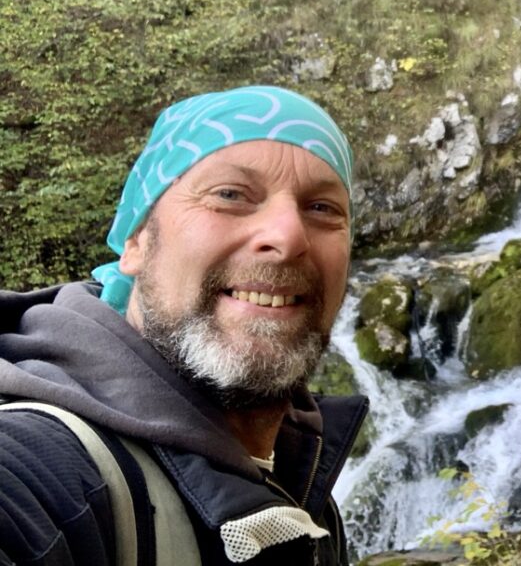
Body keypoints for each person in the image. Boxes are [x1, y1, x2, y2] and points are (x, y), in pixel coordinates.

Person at [0, 86, 369, 565]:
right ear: (135, 241)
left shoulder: (299, 471)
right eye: (231, 195)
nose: (287, 236)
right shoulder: (45, 474)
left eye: (322, 208)